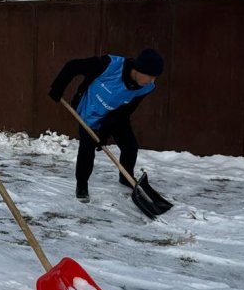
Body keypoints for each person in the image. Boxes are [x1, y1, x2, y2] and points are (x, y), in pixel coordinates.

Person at [48, 48, 164, 203]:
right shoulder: (109, 65)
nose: (152, 81)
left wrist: (105, 131)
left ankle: (126, 176)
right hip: (89, 112)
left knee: (130, 146)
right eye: (150, 76)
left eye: (154, 77)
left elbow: (125, 111)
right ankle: (82, 185)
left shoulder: (146, 87)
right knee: (87, 149)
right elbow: (72, 66)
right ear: (138, 69)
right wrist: (58, 87)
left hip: (116, 115)